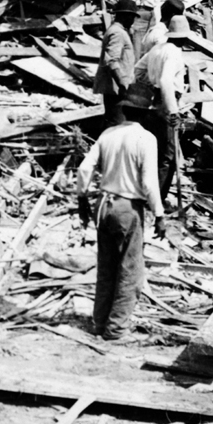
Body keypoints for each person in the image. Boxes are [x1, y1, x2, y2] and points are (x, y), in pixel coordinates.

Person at [77, 100, 165, 341]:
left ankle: (100, 322)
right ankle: (116, 330)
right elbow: (148, 182)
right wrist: (159, 214)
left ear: (125, 110)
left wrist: (82, 198)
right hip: (127, 208)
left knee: (107, 267)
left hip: (103, 205)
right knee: (130, 271)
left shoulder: (108, 133)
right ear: (146, 114)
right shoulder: (146, 138)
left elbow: (85, 169)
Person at [131, 14, 189, 200]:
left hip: (153, 103)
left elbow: (137, 72)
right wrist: (173, 112)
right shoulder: (174, 53)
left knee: (152, 152)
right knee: (167, 156)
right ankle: (157, 200)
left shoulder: (157, 49)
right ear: (184, 37)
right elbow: (166, 80)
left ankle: (143, 193)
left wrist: (151, 85)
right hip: (166, 103)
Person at [94, 0, 139, 129]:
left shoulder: (117, 30)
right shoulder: (117, 33)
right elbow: (112, 61)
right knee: (117, 124)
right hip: (116, 88)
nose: (133, 20)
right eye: (132, 17)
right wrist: (123, 83)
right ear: (126, 15)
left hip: (115, 88)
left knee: (114, 122)